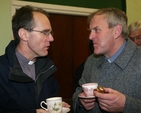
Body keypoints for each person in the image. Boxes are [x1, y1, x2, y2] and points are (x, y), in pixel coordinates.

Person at [0, 5, 70, 113]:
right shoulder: (2, 70)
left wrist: (56, 108)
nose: (51, 38)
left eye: (51, 33)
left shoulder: (47, 68)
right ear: (24, 34)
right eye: (45, 32)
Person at [72, 7, 141, 113]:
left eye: (96, 30)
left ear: (117, 31)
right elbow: (79, 92)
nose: (90, 36)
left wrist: (126, 106)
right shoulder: (91, 61)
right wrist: (80, 102)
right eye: (90, 31)